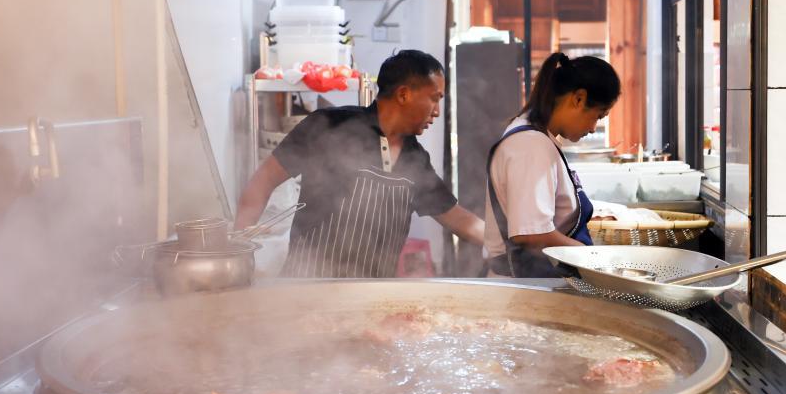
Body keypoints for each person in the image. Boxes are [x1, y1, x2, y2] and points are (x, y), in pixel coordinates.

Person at [235, 50, 485, 277]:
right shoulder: (328, 126)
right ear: (404, 94)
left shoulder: (415, 158)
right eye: (434, 98)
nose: (437, 111)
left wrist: (501, 243)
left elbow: (456, 217)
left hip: (371, 299)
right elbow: (263, 182)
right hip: (307, 289)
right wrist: (239, 252)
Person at [484, 53, 621, 277]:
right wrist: (593, 259)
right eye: (598, 116)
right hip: (522, 286)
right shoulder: (530, 144)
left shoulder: (535, 137)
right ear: (579, 99)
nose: (593, 128)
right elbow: (531, 235)